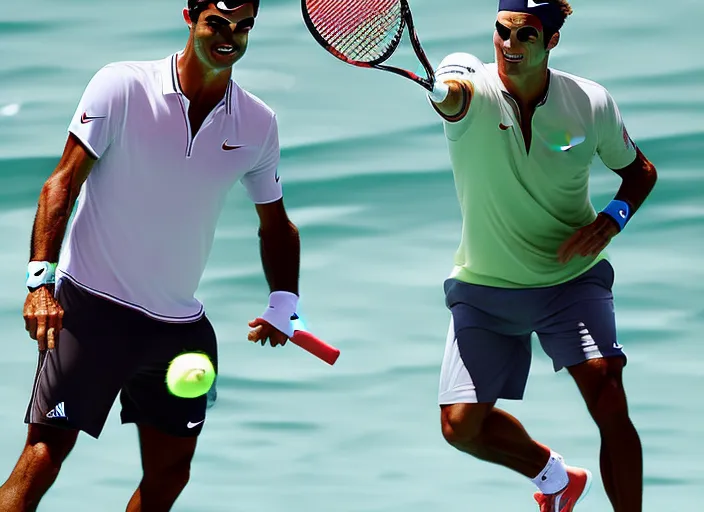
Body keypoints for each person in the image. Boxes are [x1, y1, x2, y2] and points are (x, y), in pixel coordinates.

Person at [0, 1, 303, 510]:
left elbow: (276, 224)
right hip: (91, 309)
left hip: (178, 330)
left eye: (242, 27)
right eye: (217, 23)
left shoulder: (257, 123)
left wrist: (284, 303)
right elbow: (61, 184)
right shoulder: (122, 86)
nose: (229, 37)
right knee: (45, 455)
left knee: (170, 476)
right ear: (190, 17)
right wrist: (40, 285)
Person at [426, 1, 657, 511]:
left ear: (551, 41)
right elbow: (455, 97)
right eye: (502, 33)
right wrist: (449, 97)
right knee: (460, 428)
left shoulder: (590, 103)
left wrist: (611, 220)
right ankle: (556, 478)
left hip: (570, 281)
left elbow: (640, 172)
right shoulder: (470, 90)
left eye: (525, 35)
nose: (510, 46)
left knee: (607, 393)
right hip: (486, 286)